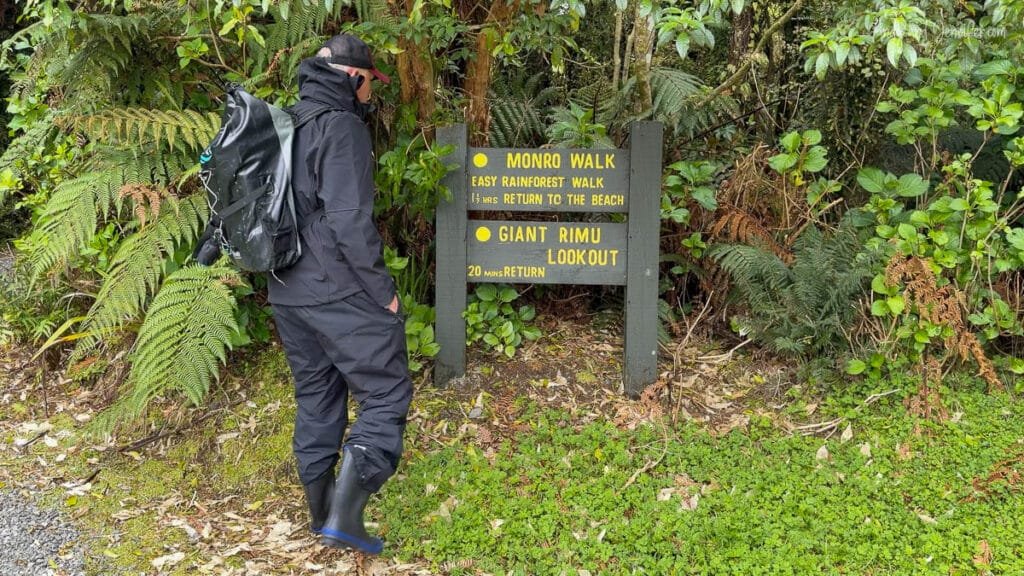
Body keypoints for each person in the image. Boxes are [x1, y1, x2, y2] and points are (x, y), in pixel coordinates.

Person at [268, 34, 412, 555]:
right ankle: (345, 520)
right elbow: (350, 222)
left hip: (285, 288)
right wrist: (384, 294)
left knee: (317, 396)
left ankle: (321, 512)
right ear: (354, 77)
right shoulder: (342, 127)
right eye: (372, 81)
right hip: (337, 288)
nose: (373, 91)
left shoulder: (284, 124)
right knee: (386, 391)